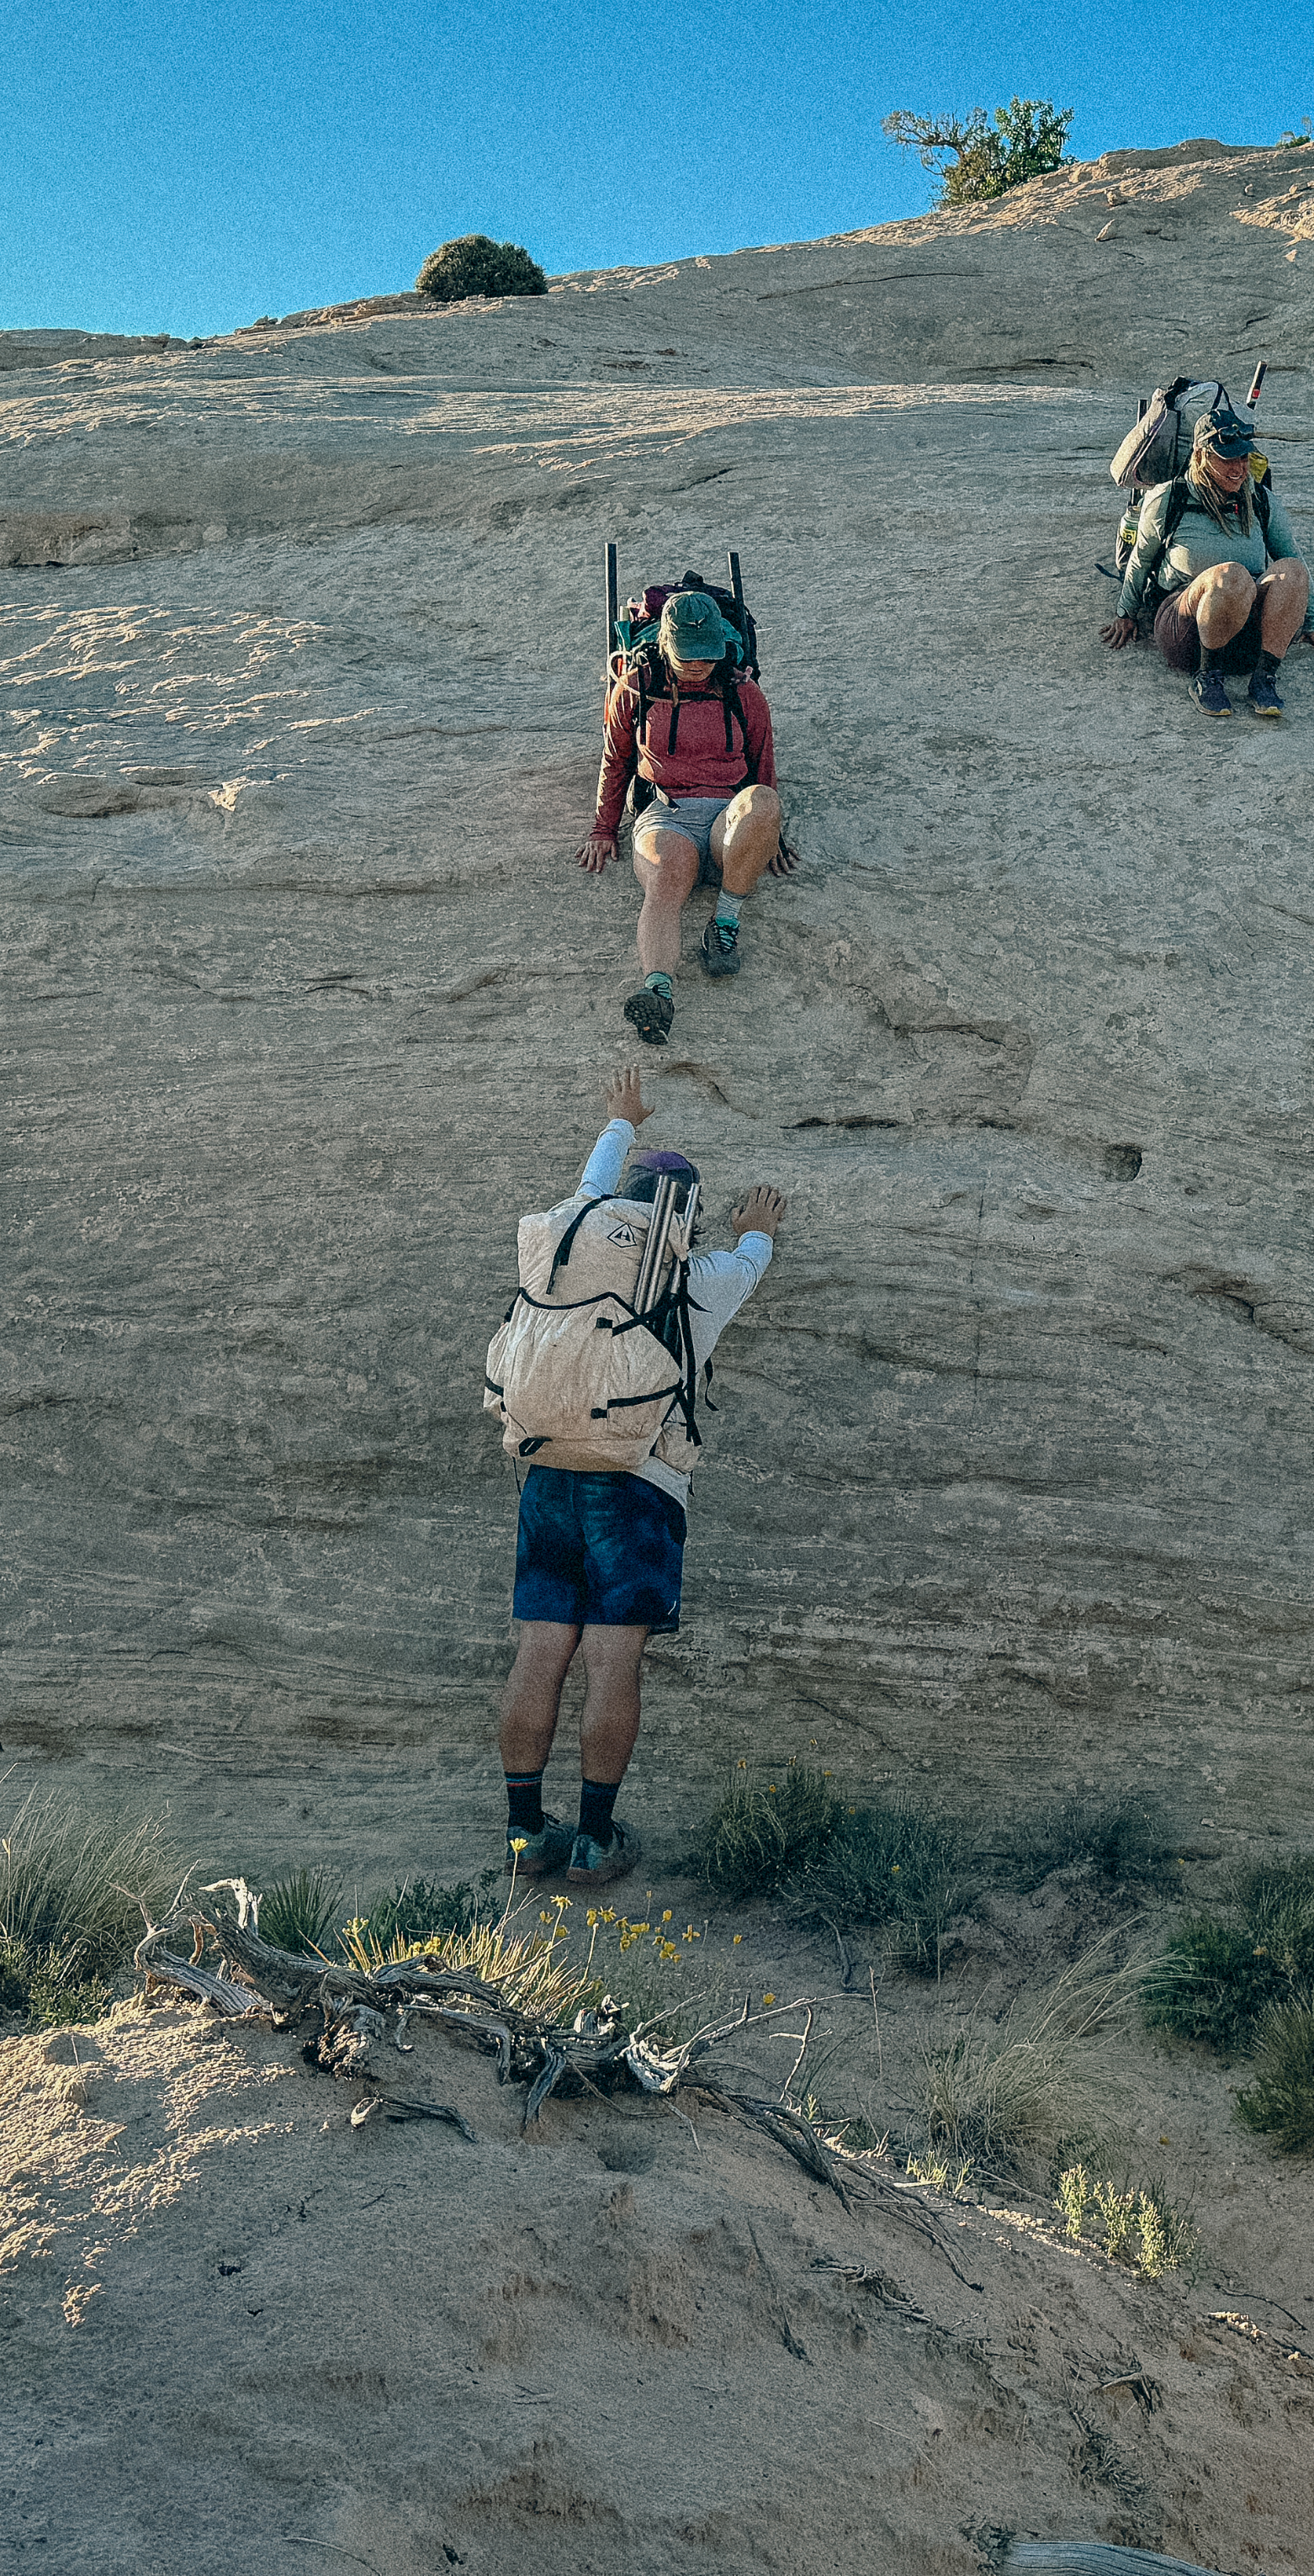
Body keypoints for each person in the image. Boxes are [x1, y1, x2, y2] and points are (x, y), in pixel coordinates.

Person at [498, 1067, 787, 1885]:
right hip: (638, 1485)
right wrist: (757, 1228)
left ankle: (524, 1836)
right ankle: (595, 1841)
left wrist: (622, 1120)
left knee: (540, 1651)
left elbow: (588, 1189)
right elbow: (752, 1262)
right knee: (612, 1660)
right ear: (683, 1219)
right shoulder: (696, 1281)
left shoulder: (567, 1247)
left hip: (549, 1469)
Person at [581, 588, 795, 1047]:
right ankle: (658, 992)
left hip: (727, 816)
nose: (698, 665)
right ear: (665, 645)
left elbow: (763, 762)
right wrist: (604, 828)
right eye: (687, 656)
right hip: (666, 813)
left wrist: (770, 834)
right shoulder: (636, 688)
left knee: (764, 801)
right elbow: (615, 760)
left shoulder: (743, 692)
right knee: (666, 878)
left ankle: (724, 924)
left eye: (707, 655)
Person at [1102, 408, 1314, 718]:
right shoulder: (1169, 498)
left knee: (1291, 572)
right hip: (1187, 634)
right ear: (1201, 456)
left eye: (1243, 458)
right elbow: (1141, 560)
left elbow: (1293, 557)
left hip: (1246, 633)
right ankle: (1207, 678)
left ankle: (1264, 677)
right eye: (1227, 459)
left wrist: (1313, 623)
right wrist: (1125, 614)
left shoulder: (1260, 500)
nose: (1239, 468)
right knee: (1230, 575)